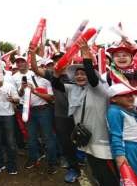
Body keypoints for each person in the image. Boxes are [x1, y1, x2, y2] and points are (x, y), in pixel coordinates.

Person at [51, 39, 119, 186]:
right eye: (77, 74)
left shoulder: (99, 88)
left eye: (83, 73)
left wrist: (86, 53)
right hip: (85, 141)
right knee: (96, 173)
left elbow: (93, 79)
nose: (80, 76)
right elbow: (56, 84)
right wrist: (56, 74)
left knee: (109, 176)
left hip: (101, 142)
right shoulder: (73, 88)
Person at [30, 48, 81, 183]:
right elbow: (35, 68)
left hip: (78, 114)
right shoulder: (52, 74)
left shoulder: (77, 73)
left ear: (68, 60)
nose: (59, 62)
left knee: (82, 140)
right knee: (66, 142)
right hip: (61, 115)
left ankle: (81, 160)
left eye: (61, 59)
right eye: (56, 60)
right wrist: (32, 52)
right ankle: (73, 168)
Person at [13, 55, 57, 173]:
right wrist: (22, 89)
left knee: (48, 138)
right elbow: (21, 95)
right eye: (34, 65)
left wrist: (35, 91)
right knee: (31, 138)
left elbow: (51, 98)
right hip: (29, 111)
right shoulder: (24, 76)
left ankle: (52, 162)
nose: (35, 67)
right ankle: (33, 158)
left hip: (44, 111)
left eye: (37, 64)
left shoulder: (47, 79)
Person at [0, 64, 20, 175]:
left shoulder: (10, 85)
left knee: (10, 142)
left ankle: (11, 165)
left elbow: (17, 99)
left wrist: (14, 99)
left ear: (2, 74)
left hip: (8, 116)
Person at [107, 83, 137, 173]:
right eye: (125, 95)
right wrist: (120, 155)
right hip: (129, 148)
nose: (131, 97)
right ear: (113, 99)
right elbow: (115, 135)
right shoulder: (114, 111)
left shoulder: (128, 109)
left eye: (131, 95)